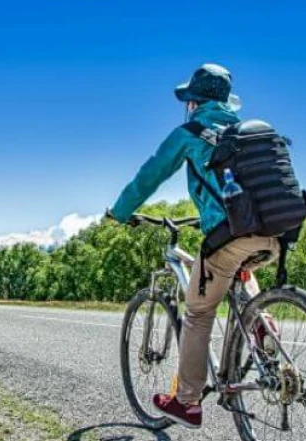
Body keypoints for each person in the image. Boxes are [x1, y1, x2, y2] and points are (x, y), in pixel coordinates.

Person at [107, 63, 279, 429]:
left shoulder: (192, 132)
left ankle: (186, 402)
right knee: (236, 268)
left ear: (193, 102)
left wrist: (120, 212)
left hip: (228, 235)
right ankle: (262, 323)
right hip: (273, 233)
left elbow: (148, 176)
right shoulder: (246, 132)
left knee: (199, 312)